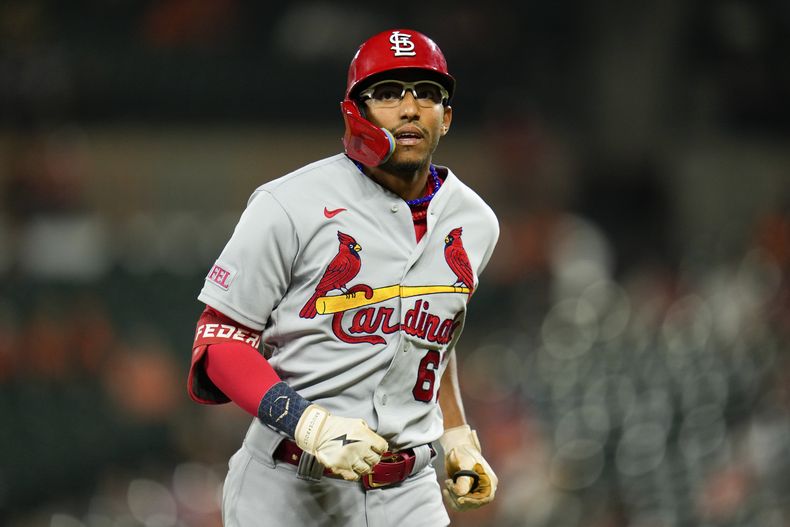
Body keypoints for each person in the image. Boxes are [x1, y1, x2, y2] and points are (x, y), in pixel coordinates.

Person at [187, 28, 499, 526]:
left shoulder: (476, 221)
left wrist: (458, 436)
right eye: (389, 92)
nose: (411, 108)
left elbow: (434, 334)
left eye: (427, 93)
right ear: (355, 111)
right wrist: (307, 424)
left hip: (411, 493)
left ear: (448, 115)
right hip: (289, 485)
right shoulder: (287, 205)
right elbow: (220, 343)